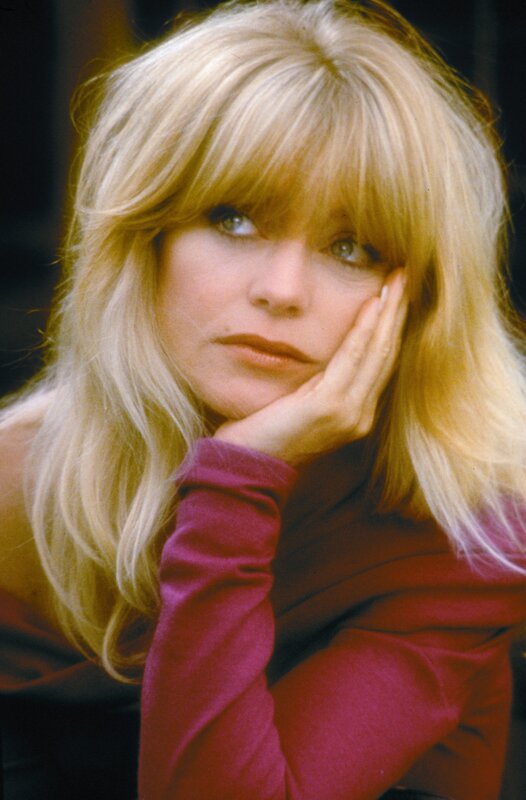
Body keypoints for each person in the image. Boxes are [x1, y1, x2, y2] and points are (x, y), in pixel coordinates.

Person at [1, 0, 526, 797]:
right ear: (143, 242)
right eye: (234, 219)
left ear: (421, 299)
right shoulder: (18, 488)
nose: (282, 290)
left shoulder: (465, 538)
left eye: (351, 247)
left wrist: (238, 480)